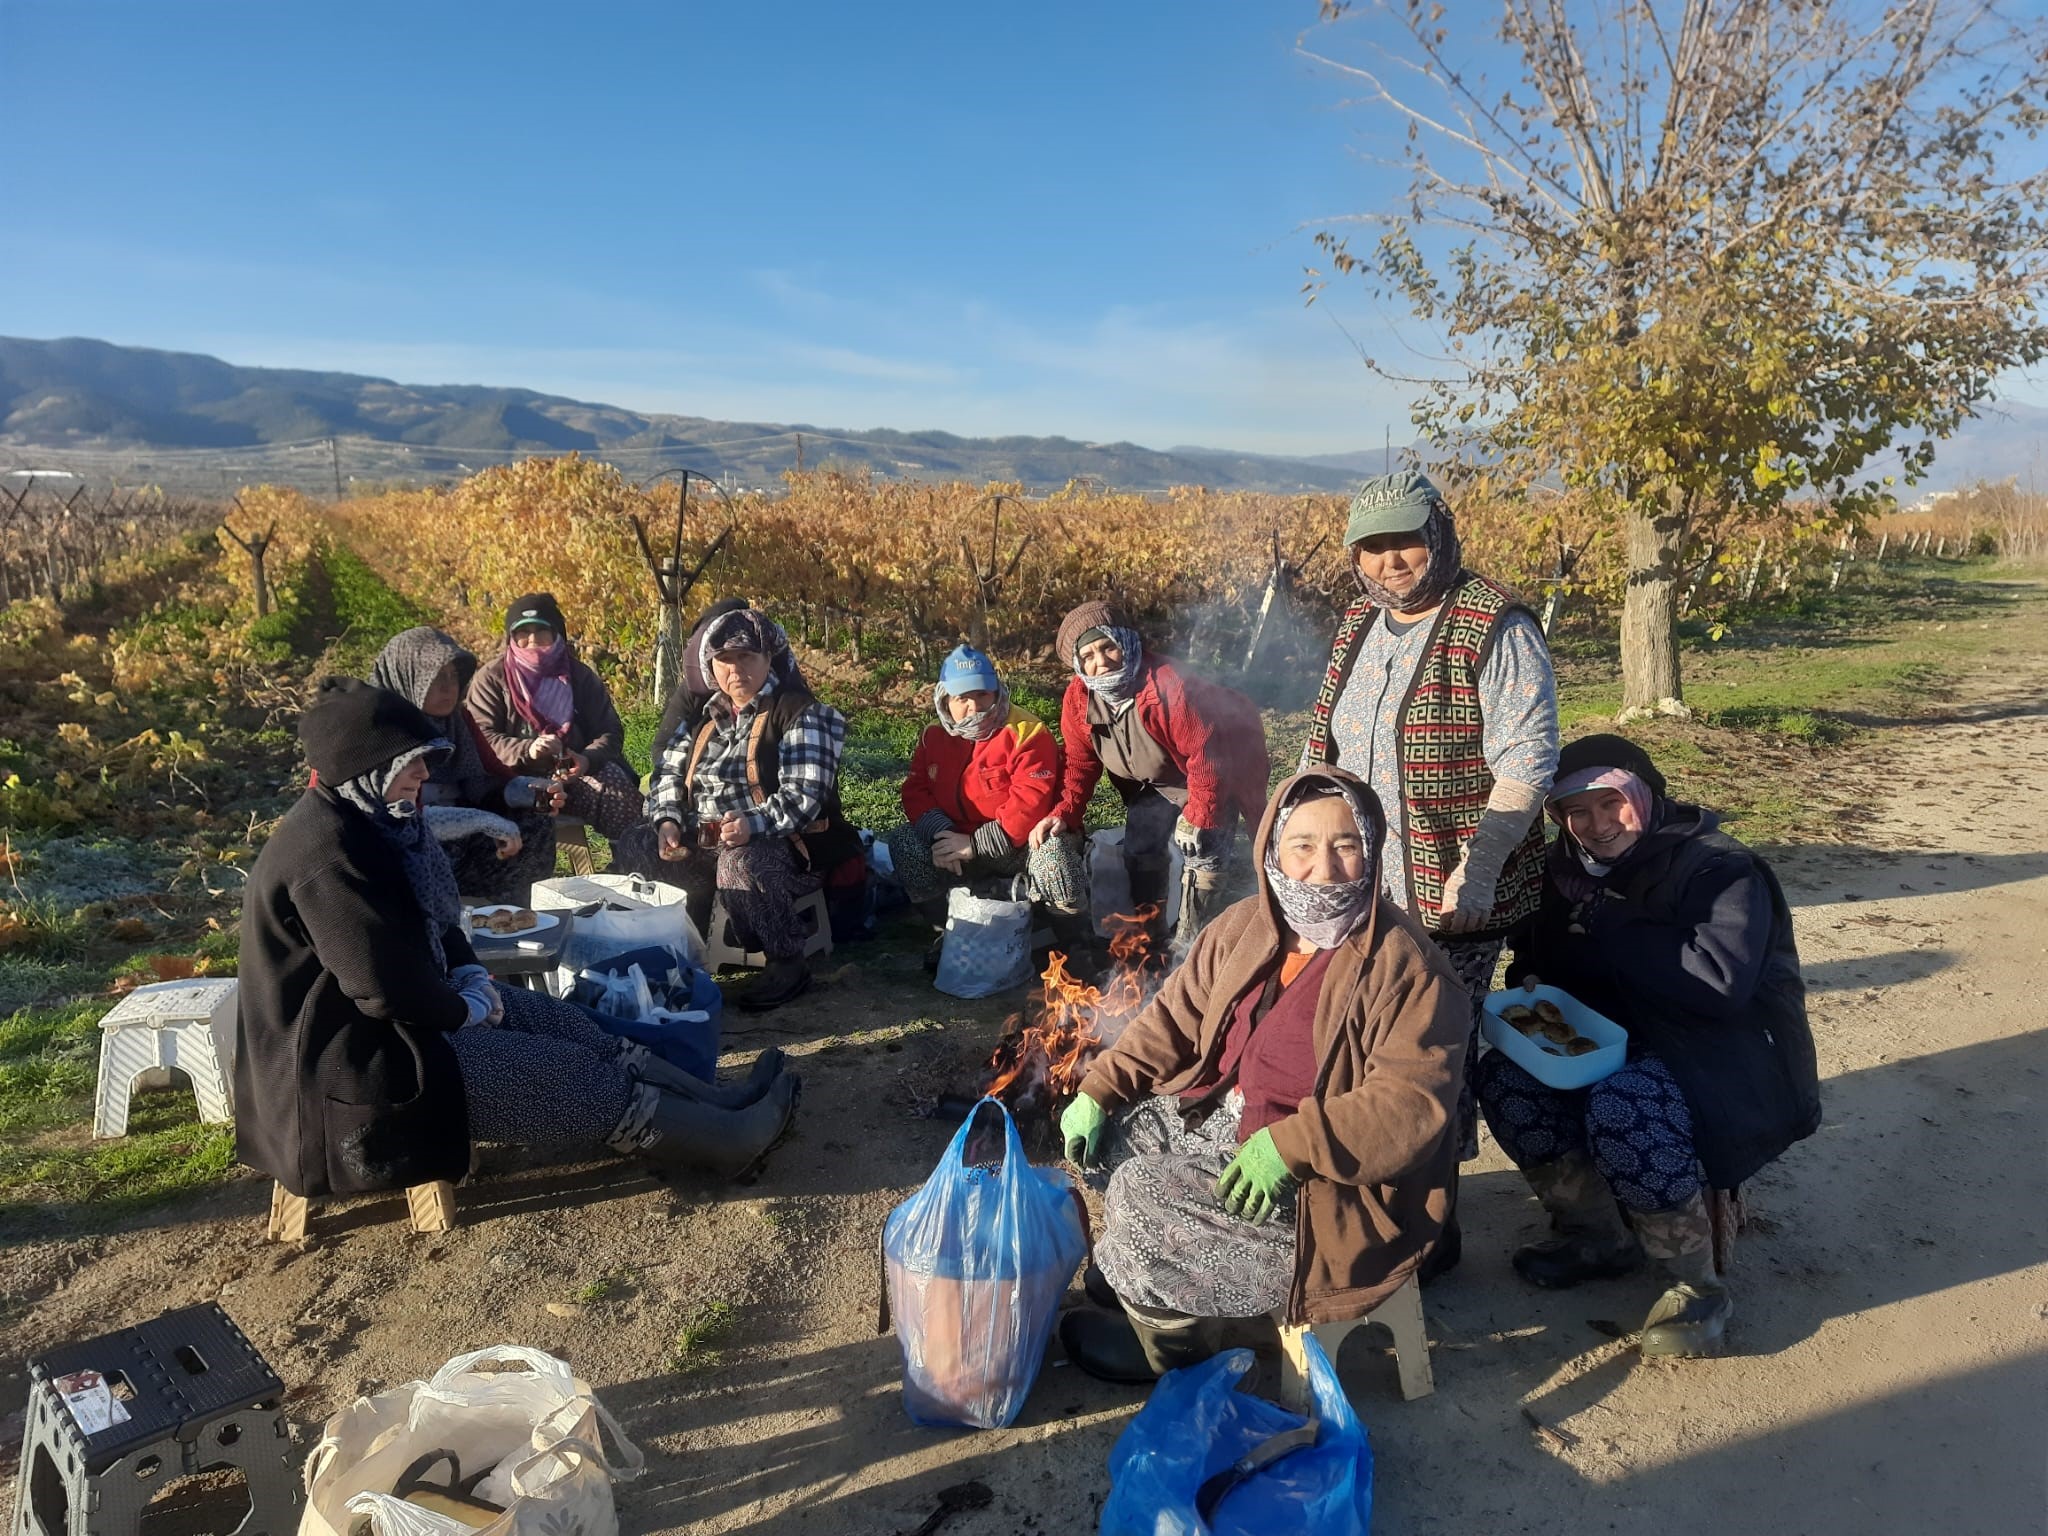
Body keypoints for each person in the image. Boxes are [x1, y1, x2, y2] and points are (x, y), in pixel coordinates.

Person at [233, 679, 800, 1201]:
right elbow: (381, 989)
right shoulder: (326, 859)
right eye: (408, 765)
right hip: (357, 1069)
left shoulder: (377, 820)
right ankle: (727, 1144)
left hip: (401, 1021)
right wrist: (462, 1007)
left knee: (573, 1026)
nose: (423, 776)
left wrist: (470, 973)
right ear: (366, 767)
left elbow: (434, 922)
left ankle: (717, 1106)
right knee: (566, 1077)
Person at [1053, 768, 1468, 1382]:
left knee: (1142, 1192)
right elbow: (1174, 1019)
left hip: (1330, 1184)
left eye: (1345, 846)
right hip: (1236, 1119)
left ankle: (1186, 1354)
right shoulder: (1246, 925)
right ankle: (1161, 1274)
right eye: (1301, 846)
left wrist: (1291, 1145)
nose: (1322, 869)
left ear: (1373, 853)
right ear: (1272, 848)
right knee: (1114, 1139)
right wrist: (1100, 1086)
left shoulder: (1411, 969)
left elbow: (1409, 1106)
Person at [1479, 734, 1820, 1358]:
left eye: (1611, 804)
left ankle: (1692, 1282)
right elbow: (1539, 957)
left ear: (1643, 794)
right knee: (1504, 1079)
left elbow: (1717, 985)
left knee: (1623, 1103)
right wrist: (1533, 979)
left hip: (1716, 1051)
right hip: (1603, 1039)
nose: (1597, 825)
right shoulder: (1564, 874)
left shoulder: (1719, 869)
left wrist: (1611, 920)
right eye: (1576, 812)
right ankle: (1596, 1236)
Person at [1299, 470, 1559, 1270]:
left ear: (1439, 533)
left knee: (1432, 1062)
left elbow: (1527, 755)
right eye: (1370, 548)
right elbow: (1322, 744)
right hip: (1362, 892)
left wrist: (1479, 867)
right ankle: (1388, 1213)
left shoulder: (1493, 625)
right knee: (1364, 1049)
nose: (1388, 562)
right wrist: (1295, 845)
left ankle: (1432, 1231)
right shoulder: (1357, 626)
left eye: (1403, 541)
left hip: (1452, 898)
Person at [646, 608, 859, 1012]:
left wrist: (753, 824)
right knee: (639, 845)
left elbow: (804, 795)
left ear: (769, 659)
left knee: (742, 862)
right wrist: (668, 819)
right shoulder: (703, 717)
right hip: (707, 841)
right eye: (725, 660)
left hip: (787, 848)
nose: (735, 669)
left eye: (747, 657)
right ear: (711, 667)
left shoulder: (799, 711)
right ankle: (672, 955)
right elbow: (666, 774)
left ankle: (786, 961)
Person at [1029, 601, 1270, 955]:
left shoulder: (1169, 685)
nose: (1102, 661)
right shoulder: (1079, 700)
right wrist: (1066, 812)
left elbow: (1206, 753)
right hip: (1155, 782)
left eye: (1108, 646)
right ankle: (1151, 935)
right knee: (1142, 852)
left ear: (1126, 642)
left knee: (1204, 851)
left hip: (1221, 767)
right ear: (1078, 664)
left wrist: (1200, 815)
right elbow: (1080, 764)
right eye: (1089, 654)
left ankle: (1192, 944)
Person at [883, 645, 1089, 966]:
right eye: (961, 698)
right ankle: (949, 929)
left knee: (1054, 851)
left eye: (982, 694)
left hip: (1017, 847)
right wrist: (943, 837)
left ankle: (1076, 944)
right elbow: (916, 791)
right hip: (957, 845)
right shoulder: (933, 736)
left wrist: (974, 844)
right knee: (905, 842)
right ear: (944, 700)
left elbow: (1030, 803)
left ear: (996, 692)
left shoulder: (1027, 732)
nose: (974, 706)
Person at [369, 626, 561, 904]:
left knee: (535, 823)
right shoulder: (381, 731)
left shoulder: (458, 722)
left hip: (464, 837)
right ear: (407, 677)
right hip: (405, 847)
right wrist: (482, 821)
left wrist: (533, 791)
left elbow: (488, 779)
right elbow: (399, 818)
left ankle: (512, 915)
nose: (449, 687)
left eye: (453, 676)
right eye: (436, 677)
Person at [465, 593, 655, 871]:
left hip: (573, 772)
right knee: (525, 816)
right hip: (513, 777)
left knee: (616, 789)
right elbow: (481, 737)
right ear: (511, 638)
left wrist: (586, 759)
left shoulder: (579, 676)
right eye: (523, 634)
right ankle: (519, 887)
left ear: (557, 635)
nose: (532, 642)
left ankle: (630, 869)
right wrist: (527, 749)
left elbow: (609, 730)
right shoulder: (492, 679)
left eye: (541, 632)